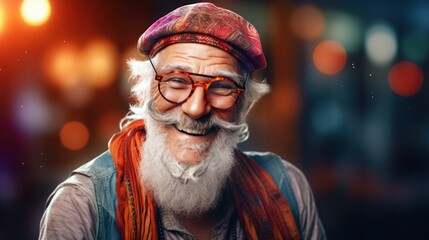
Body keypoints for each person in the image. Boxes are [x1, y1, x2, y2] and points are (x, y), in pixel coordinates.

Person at [39, 2, 326, 240]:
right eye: (176, 82)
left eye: (222, 86)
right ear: (144, 90)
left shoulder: (287, 190)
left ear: (244, 104)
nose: (196, 108)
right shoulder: (83, 206)